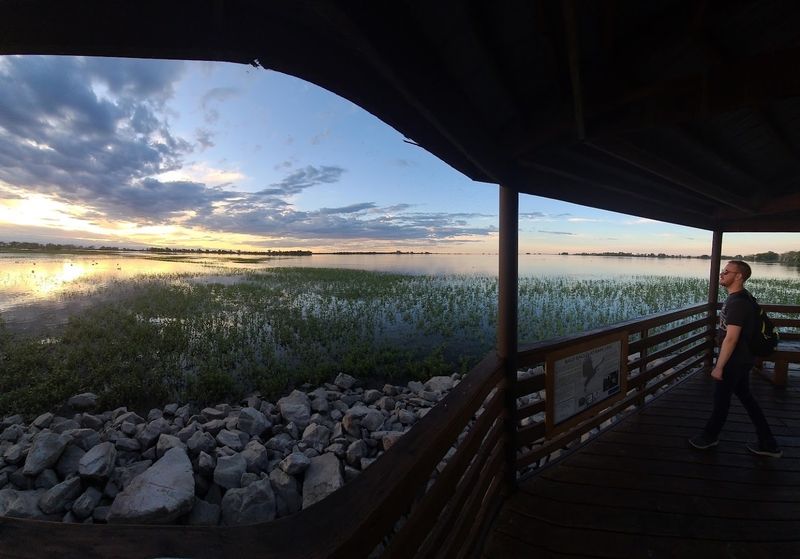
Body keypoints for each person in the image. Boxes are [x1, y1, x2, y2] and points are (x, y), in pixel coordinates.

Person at [689, 260, 782, 458]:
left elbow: (731, 338)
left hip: (734, 360)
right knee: (747, 399)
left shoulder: (739, 302)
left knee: (721, 400)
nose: (721, 274)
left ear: (739, 276)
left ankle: (709, 436)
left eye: (726, 272)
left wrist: (719, 366)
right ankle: (768, 443)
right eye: (723, 271)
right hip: (743, 359)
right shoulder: (741, 298)